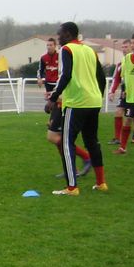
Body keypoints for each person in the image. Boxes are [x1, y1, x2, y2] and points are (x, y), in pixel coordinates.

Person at [48, 22, 108, 195]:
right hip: (94, 101)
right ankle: (101, 183)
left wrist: (53, 98)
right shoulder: (90, 51)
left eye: (60, 34)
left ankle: (72, 187)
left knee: (67, 143)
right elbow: (101, 77)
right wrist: (98, 95)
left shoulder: (66, 50)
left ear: (67, 34)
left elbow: (65, 75)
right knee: (92, 142)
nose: (58, 37)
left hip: (76, 103)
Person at [39, 35, 93, 178]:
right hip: (59, 98)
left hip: (64, 100)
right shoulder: (48, 58)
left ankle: (86, 157)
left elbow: (65, 77)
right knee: (58, 136)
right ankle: (71, 169)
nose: (49, 47)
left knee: (53, 136)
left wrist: (55, 97)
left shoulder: (65, 53)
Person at [107, 61, 126, 145]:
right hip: (124, 93)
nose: (124, 49)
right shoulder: (120, 64)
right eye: (123, 47)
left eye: (126, 46)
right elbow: (116, 79)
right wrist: (112, 92)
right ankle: (118, 138)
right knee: (118, 112)